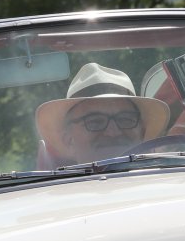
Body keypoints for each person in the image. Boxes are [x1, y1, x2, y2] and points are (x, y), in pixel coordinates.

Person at [35, 62, 170, 166]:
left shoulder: (170, 186)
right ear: (69, 141)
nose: (113, 132)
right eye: (95, 122)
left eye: (125, 120)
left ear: (142, 133)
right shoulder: (55, 193)